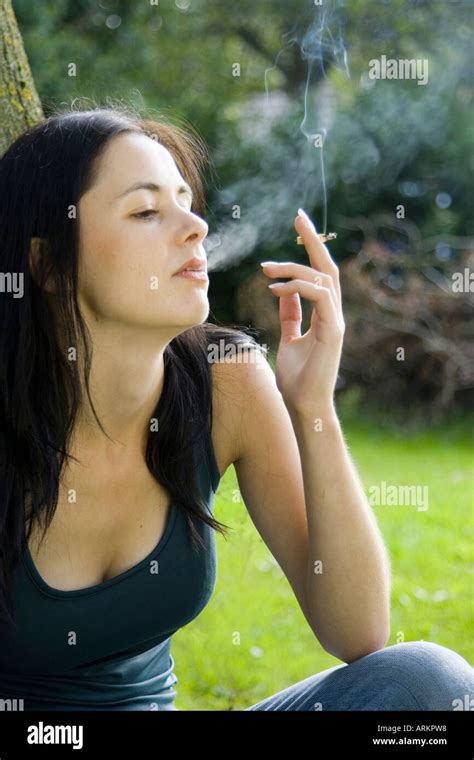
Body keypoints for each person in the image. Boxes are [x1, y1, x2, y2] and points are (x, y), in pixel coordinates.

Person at [0, 106, 471, 711]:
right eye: (146, 211)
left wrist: (312, 407)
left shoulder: (227, 381)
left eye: (185, 200)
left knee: (428, 683)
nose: (194, 226)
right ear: (49, 264)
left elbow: (356, 632)